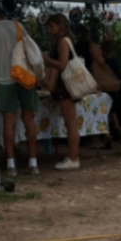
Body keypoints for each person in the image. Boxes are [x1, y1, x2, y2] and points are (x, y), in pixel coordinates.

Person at [0, 0, 40, 177]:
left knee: (8, 122)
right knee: (29, 119)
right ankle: (33, 163)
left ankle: (11, 164)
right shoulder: (17, 25)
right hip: (24, 76)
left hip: (5, 80)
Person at [43, 12, 82, 171]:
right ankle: (72, 156)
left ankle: (74, 158)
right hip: (64, 86)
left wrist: (45, 59)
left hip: (64, 87)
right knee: (70, 122)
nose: (50, 29)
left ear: (59, 26)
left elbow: (62, 64)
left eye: (52, 26)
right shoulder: (67, 40)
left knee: (70, 123)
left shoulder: (62, 42)